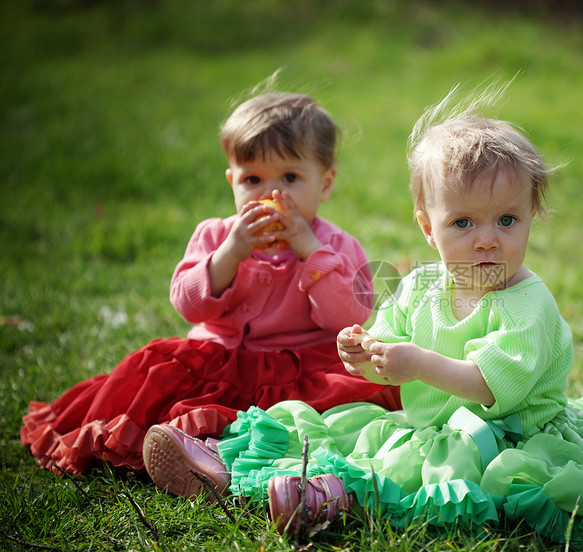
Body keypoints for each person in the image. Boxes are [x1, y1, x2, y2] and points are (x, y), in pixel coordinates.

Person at [144, 86, 583, 544]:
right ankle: (225, 463)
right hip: (432, 430)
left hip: (512, 436)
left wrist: (416, 362)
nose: (486, 239)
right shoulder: (417, 286)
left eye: (506, 220)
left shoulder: (528, 304)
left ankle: (323, 502)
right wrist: (366, 353)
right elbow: (390, 359)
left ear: (531, 217)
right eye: (463, 223)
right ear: (427, 226)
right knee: (338, 430)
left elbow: (488, 386)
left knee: (435, 480)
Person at [20, 90, 400, 480]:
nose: (271, 193)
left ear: (325, 184)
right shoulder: (217, 236)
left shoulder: (336, 247)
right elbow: (189, 304)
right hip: (221, 360)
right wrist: (230, 254)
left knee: (330, 414)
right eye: (252, 178)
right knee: (175, 393)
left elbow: (348, 316)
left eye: (290, 177)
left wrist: (310, 251)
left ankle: (232, 457)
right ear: (231, 181)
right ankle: (196, 449)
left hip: (303, 366)